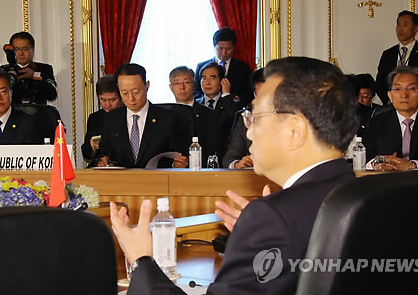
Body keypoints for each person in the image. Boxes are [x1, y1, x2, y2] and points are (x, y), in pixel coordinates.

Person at [110, 57, 359, 295]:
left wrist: (141, 259)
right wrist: (259, 238)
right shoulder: (356, 194)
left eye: (255, 116)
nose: (249, 133)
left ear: (295, 131)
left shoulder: (275, 216)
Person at [94, 63, 188, 168]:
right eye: (124, 93)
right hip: (121, 181)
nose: (131, 99)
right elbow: (103, 153)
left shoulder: (167, 119)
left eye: (136, 92)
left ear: (147, 85)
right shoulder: (111, 119)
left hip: (157, 181)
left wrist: (179, 163)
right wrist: (102, 160)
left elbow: (180, 155)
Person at [365, 66, 418, 170]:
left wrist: (413, 165)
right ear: (390, 95)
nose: (404, 94)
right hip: (388, 181)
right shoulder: (378, 123)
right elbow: (366, 157)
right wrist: (377, 164)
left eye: (411, 88)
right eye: (397, 89)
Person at [375, 10, 418, 105]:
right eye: (398, 24)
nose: (400, 29)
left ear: (416, 28)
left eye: (405, 25)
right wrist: (390, 100)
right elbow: (380, 83)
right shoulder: (388, 54)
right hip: (391, 106)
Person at [169, 66, 217, 166]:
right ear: (171, 87)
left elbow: (213, 151)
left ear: (194, 85)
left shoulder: (209, 115)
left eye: (186, 82)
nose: (182, 87)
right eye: (177, 83)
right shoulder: (164, 115)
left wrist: (191, 162)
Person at [194, 28, 252, 106]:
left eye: (228, 49)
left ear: (234, 47)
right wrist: (207, 99)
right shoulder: (202, 66)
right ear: (214, 46)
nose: (224, 53)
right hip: (207, 109)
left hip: (234, 110)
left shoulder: (243, 67)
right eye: (220, 49)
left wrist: (239, 99)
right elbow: (195, 91)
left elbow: (249, 92)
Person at [196, 62, 239, 163]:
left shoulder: (231, 103)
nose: (207, 82)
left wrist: (226, 94)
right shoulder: (196, 104)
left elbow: (229, 121)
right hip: (199, 159)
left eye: (212, 78)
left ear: (222, 81)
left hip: (224, 158)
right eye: (204, 78)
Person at [223, 68, 264, 168]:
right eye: (260, 95)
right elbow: (229, 159)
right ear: (254, 94)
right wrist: (238, 164)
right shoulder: (246, 118)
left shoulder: (291, 118)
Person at [81, 75, 123, 165]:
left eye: (112, 100)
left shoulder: (129, 116)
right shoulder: (95, 118)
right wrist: (92, 148)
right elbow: (86, 152)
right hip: (99, 167)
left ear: (121, 96)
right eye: (103, 100)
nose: (107, 104)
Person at [7, 31, 57, 104]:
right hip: (13, 113)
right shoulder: (5, 70)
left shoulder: (44, 68)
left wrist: (34, 75)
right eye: (17, 49)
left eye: (25, 48)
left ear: (33, 49)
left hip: (38, 113)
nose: (21, 53)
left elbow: (52, 95)